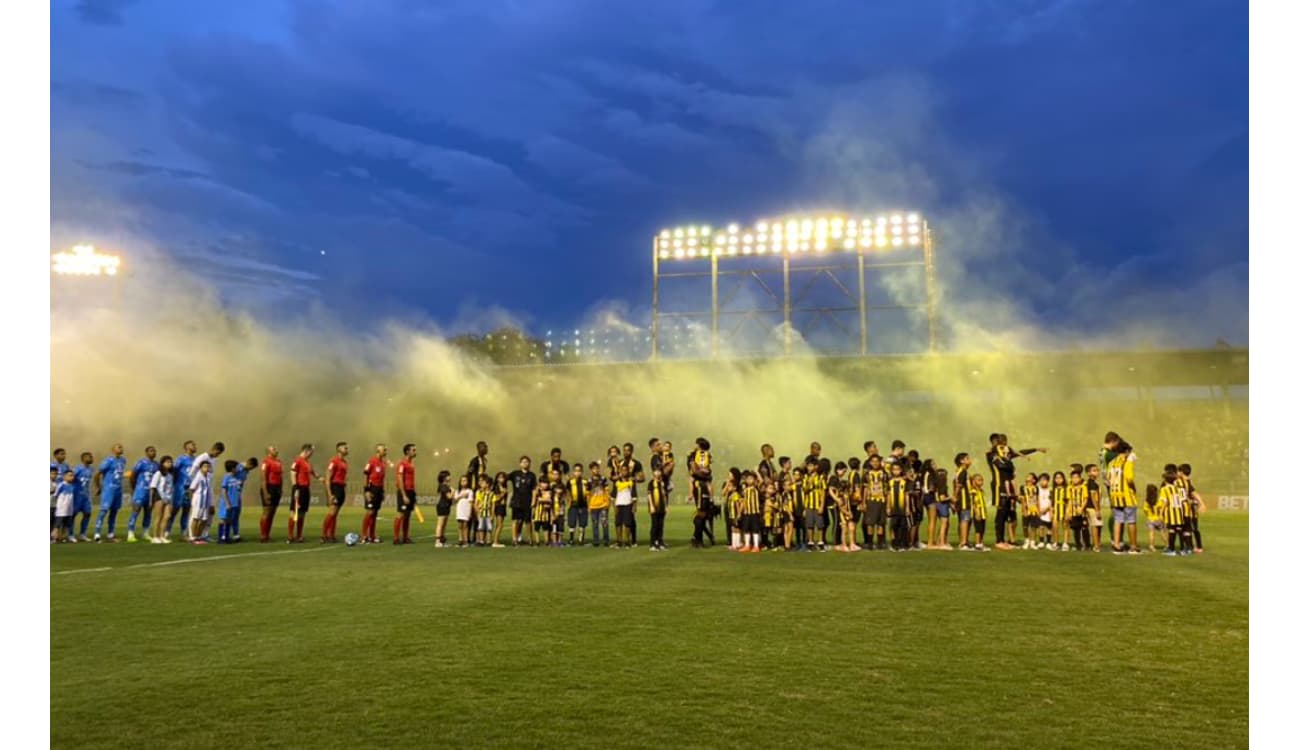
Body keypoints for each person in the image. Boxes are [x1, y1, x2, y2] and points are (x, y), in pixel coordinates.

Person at [1103, 435, 1139, 554]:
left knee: (1118, 520)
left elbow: (1108, 479)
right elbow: (1129, 478)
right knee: (1131, 520)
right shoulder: (1127, 461)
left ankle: (1116, 545)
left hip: (1115, 495)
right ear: (1127, 451)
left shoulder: (1112, 462)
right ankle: (1133, 547)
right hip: (1127, 495)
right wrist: (1133, 488)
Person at [92, 443, 127, 542]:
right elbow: (97, 474)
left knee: (114, 512)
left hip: (118, 489)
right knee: (103, 511)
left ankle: (111, 534)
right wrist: (98, 487)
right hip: (109, 489)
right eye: (119, 447)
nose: (121, 448)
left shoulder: (123, 460)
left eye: (121, 446)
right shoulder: (108, 461)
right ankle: (97, 534)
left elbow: (118, 474)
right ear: (113, 450)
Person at [125, 446, 159, 543]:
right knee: (135, 511)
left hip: (151, 493)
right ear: (146, 452)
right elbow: (132, 476)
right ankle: (130, 533)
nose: (153, 452)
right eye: (151, 451)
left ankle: (145, 533)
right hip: (140, 491)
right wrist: (135, 487)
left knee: (148, 513)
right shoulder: (141, 463)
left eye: (154, 451)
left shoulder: (157, 465)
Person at [687, 438, 714, 547]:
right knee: (701, 513)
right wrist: (706, 474)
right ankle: (698, 539)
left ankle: (697, 538)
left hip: (704, 486)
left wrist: (706, 472)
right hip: (699, 486)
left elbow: (708, 469)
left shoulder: (706, 455)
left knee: (703, 514)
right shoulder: (692, 455)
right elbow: (694, 471)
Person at [289, 444, 318, 544]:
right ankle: (290, 536)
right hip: (299, 488)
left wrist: (319, 477)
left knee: (302, 513)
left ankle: (299, 535)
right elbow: (292, 473)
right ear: (306, 450)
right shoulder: (297, 460)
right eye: (311, 452)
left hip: (306, 489)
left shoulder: (307, 462)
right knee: (295, 512)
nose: (312, 454)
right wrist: (295, 488)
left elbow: (312, 472)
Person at [169, 441, 198, 540]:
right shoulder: (181, 459)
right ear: (186, 447)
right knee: (174, 510)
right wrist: (175, 485)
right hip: (180, 488)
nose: (195, 446)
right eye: (193, 445)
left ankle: (183, 533)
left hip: (190, 489)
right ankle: (166, 532)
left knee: (186, 511)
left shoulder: (196, 460)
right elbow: (174, 472)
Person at [361, 444, 389, 544]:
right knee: (370, 512)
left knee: (375, 513)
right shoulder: (371, 461)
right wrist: (366, 491)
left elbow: (381, 479)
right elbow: (365, 475)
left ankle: (372, 536)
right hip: (371, 488)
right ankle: (364, 535)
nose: (386, 451)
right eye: (384, 450)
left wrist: (383, 492)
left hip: (379, 489)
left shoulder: (383, 463)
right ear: (378, 451)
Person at [322, 442, 349, 544]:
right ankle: (323, 535)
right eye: (345, 448)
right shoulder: (334, 461)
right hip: (335, 488)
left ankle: (331, 535)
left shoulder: (345, 463)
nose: (347, 449)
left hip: (341, 488)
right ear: (338, 449)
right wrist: (329, 494)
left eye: (347, 448)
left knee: (335, 514)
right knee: (332, 512)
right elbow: (328, 478)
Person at [508, 457, 537, 546]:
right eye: (523, 462)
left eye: (527, 462)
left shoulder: (531, 475)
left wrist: (533, 500)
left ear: (529, 464)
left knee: (528, 521)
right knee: (515, 520)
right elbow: (503, 478)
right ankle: (514, 539)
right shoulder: (515, 474)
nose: (525, 463)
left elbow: (534, 489)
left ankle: (530, 539)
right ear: (520, 464)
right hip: (517, 501)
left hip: (527, 501)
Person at [1178, 464, 1205, 553]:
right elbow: (1194, 493)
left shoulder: (1184, 482)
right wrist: (1201, 503)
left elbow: (1193, 493)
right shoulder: (1186, 482)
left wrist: (1200, 503)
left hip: (1189, 509)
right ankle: (1196, 546)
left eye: (1178, 471)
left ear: (1181, 472)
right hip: (1189, 508)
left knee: (1189, 528)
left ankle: (1191, 547)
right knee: (1193, 528)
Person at [259, 446, 284, 543]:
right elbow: (263, 478)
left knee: (272, 512)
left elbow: (280, 476)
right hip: (269, 487)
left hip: (276, 488)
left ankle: (267, 534)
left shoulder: (279, 462)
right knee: (267, 512)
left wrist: (281, 489)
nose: (276, 450)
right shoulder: (266, 462)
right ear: (268, 452)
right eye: (274, 449)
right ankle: (262, 535)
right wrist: (265, 492)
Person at [394, 444, 418, 545]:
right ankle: (396, 538)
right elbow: (399, 479)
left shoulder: (411, 464)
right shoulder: (402, 463)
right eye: (413, 450)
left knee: (407, 515)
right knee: (401, 514)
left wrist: (413, 493)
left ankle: (405, 537)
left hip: (411, 491)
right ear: (407, 451)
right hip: (404, 491)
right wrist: (403, 495)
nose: (415, 452)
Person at [148, 455, 175, 544]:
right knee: (158, 517)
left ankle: (162, 536)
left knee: (167, 516)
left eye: (170, 462)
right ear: (162, 463)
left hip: (168, 497)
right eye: (167, 462)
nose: (169, 464)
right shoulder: (158, 473)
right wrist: (151, 500)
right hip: (159, 496)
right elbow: (153, 487)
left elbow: (170, 487)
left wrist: (170, 498)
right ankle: (155, 536)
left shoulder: (170, 475)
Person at [863, 454, 887, 550]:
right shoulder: (867, 474)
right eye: (873, 461)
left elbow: (887, 489)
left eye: (877, 461)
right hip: (871, 500)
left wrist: (888, 503)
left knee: (881, 523)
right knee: (870, 523)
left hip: (882, 500)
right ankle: (870, 543)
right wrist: (864, 502)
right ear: (870, 463)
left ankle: (880, 543)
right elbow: (865, 488)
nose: (875, 463)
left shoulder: (884, 474)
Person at [802, 461, 827, 552]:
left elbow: (823, 492)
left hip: (817, 504)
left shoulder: (821, 478)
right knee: (809, 524)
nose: (809, 467)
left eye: (811, 465)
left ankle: (820, 542)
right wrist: (810, 482)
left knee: (820, 524)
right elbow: (805, 490)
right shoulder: (805, 477)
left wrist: (822, 505)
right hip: (809, 505)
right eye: (808, 466)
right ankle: (811, 542)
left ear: (815, 466)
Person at [188, 460, 215, 544]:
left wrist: (211, 503)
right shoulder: (198, 477)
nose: (207, 468)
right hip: (198, 501)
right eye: (205, 466)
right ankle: (193, 537)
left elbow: (209, 491)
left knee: (203, 520)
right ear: (201, 468)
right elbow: (191, 489)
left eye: (208, 466)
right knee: (195, 518)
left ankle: (198, 537)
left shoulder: (208, 477)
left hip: (205, 501)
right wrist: (192, 501)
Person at [886, 461, 909, 551]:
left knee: (903, 526)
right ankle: (894, 543)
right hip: (893, 508)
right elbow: (888, 495)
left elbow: (906, 495)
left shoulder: (904, 482)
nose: (896, 471)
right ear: (891, 471)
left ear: (901, 470)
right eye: (894, 469)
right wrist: (887, 507)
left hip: (902, 508)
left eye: (898, 469)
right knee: (893, 526)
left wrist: (907, 507)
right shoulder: (890, 482)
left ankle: (902, 543)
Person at [587, 461, 611, 547]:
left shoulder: (603, 479)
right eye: (594, 469)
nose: (596, 470)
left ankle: (606, 540)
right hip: (593, 505)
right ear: (591, 470)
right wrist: (588, 505)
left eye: (597, 468)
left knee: (604, 523)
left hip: (603, 504)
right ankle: (596, 541)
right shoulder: (589, 481)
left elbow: (607, 491)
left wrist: (608, 502)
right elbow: (588, 494)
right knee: (595, 524)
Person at [73, 452, 95, 542]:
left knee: (87, 513)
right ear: (83, 458)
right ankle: (70, 534)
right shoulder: (77, 468)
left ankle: (82, 534)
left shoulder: (91, 469)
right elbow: (71, 478)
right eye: (89, 457)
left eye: (91, 456)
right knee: (73, 515)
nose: (91, 458)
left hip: (86, 495)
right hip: (77, 494)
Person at [612, 464, 635, 549]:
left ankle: (627, 541)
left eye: (625, 470)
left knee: (628, 523)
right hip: (619, 504)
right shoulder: (617, 482)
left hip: (628, 504)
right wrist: (614, 507)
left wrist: (634, 506)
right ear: (620, 471)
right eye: (622, 470)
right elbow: (613, 496)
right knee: (618, 523)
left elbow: (634, 494)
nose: (623, 472)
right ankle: (619, 541)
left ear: (628, 471)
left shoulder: (631, 481)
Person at [1067, 469, 1090, 551]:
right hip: (1073, 512)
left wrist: (1082, 508)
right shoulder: (1069, 488)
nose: (1075, 479)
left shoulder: (1083, 487)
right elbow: (1069, 500)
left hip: (1082, 512)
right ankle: (1078, 545)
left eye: (1077, 477)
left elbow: (1085, 499)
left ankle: (1087, 545)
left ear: (1080, 479)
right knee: (1076, 529)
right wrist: (1069, 512)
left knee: (1084, 528)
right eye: (1073, 478)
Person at [953, 453, 973, 550]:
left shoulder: (959, 471)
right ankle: (963, 543)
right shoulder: (963, 471)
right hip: (964, 499)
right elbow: (959, 485)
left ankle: (963, 540)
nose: (970, 460)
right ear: (962, 461)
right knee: (965, 520)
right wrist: (955, 497)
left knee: (963, 520)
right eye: (967, 458)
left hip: (963, 499)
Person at [647, 465, 669, 550]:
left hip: (661, 507)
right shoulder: (651, 483)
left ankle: (660, 542)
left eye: (659, 471)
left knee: (661, 525)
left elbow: (664, 496)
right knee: (654, 525)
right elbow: (649, 495)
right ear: (653, 473)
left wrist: (666, 506)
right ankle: (652, 543)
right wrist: (651, 506)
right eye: (656, 471)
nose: (658, 473)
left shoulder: (662, 483)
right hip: (654, 507)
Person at [52, 468, 77, 543]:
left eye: (72, 476)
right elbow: (55, 495)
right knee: (57, 524)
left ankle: (62, 537)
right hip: (61, 509)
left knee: (66, 524)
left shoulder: (72, 486)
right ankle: (53, 537)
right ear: (64, 476)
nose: (72, 477)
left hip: (69, 508)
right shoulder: (61, 485)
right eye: (70, 475)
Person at [567, 464, 589, 546]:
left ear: (582, 472)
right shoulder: (570, 482)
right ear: (573, 472)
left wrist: (588, 505)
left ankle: (581, 540)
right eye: (576, 471)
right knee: (572, 522)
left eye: (579, 471)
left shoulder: (585, 482)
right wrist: (569, 501)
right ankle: (571, 539)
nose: (577, 473)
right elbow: (568, 492)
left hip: (583, 505)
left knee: (582, 523)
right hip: (573, 505)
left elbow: (588, 493)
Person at [1085, 464, 1104, 552]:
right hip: (1092, 507)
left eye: (1097, 470)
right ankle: (1096, 545)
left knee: (1098, 525)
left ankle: (1097, 543)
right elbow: (1093, 497)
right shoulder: (1091, 483)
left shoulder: (1094, 483)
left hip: (1094, 507)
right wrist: (1097, 510)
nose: (1096, 472)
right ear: (1088, 473)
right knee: (1095, 525)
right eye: (1094, 470)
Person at [969, 473, 990, 551]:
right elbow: (974, 503)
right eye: (979, 480)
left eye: (982, 480)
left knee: (982, 528)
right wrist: (977, 512)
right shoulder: (973, 491)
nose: (981, 482)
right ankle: (977, 544)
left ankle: (981, 543)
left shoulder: (981, 491)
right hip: (977, 512)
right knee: (978, 529)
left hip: (983, 513)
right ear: (974, 481)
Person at [434, 470, 454, 547]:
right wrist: (453, 491)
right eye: (448, 475)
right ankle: (437, 541)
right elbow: (449, 497)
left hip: (446, 506)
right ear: (444, 478)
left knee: (444, 524)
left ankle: (442, 540)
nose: (450, 477)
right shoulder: (443, 486)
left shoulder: (446, 486)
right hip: (442, 506)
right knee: (440, 524)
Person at [474, 474, 495, 547]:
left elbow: (493, 505)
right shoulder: (480, 493)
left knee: (489, 527)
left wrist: (492, 514)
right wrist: (477, 512)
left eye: (483, 483)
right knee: (481, 527)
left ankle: (488, 540)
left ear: (488, 484)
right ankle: (481, 540)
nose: (481, 484)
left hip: (488, 513)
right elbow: (477, 503)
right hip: (481, 513)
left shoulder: (492, 494)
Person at [1051, 471, 1069, 551]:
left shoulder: (1066, 489)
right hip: (1055, 510)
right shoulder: (1053, 490)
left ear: (1063, 479)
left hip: (1063, 509)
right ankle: (1055, 542)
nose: (1058, 480)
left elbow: (1068, 501)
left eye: (1060, 478)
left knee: (1065, 526)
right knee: (1055, 527)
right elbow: (1051, 502)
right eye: (1056, 478)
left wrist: (1067, 512)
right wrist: (1051, 511)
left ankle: (1065, 543)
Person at [453, 475, 473, 547]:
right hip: (459, 509)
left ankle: (466, 540)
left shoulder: (469, 491)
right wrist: (461, 496)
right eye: (462, 481)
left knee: (465, 525)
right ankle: (460, 539)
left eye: (465, 480)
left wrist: (470, 512)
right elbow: (455, 500)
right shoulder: (458, 491)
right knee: (459, 525)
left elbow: (470, 502)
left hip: (466, 509)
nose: (463, 482)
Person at [492, 471, 510, 547]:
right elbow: (495, 498)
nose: (501, 479)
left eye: (502, 477)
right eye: (499, 477)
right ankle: (495, 542)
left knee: (500, 525)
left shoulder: (504, 486)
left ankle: (496, 541)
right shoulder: (497, 487)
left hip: (503, 506)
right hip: (498, 506)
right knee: (499, 525)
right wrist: (503, 494)